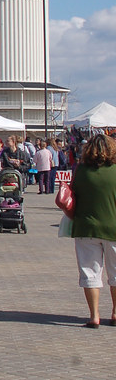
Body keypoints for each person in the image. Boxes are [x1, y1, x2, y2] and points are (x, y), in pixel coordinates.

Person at [69, 134, 116, 328]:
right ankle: (115, 312)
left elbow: (73, 195)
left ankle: (94, 315)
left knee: (90, 273)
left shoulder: (81, 171)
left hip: (86, 227)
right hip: (114, 227)